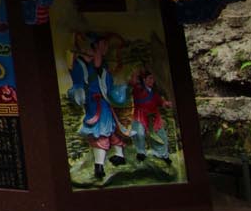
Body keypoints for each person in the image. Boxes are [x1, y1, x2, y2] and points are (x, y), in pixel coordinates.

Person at [66, 32, 130, 180]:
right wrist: (78, 92)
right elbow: (77, 84)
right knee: (100, 132)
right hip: (94, 105)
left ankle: (118, 156)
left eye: (102, 49)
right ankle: (99, 165)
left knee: (110, 130)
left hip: (104, 104)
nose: (100, 53)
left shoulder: (102, 70)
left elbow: (109, 84)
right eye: (98, 49)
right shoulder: (81, 67)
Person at [128, 68, 172, 161]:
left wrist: (166, 104)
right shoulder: (137, 90)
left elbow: (160, 101)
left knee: (161, 135)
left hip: (154, 117)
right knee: (139, 133)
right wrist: (136, 74)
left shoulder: (154, 93)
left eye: (153, 78)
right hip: (140, 116)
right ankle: (141, 152)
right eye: (150, 78)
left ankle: (163, 154)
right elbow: (132, 83)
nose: (152, 81)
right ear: (144, 80)